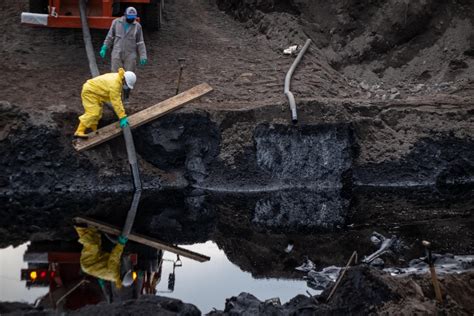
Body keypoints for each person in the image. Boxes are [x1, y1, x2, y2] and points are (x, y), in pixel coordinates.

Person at [74, 68, 135, 138]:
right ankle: (79, 131)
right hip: (90, 92)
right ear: (124, 79)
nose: (126, 86)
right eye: (126, 84)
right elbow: (116, 102)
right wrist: (122, 117)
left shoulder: (117, 77)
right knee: (93, 113)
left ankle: (93, 129)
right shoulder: (115, 84)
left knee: (98, 112)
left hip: (96, 92)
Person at [100, 7, 147, 72]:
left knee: (129, 75)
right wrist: (104, 47)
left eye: (133, 18)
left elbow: (140, 42)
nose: (131, 19)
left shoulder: (137, 26)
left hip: (130, 55)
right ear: (125, 15)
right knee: (115, 75)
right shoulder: (116, 23)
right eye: (129, 17)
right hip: (117, 53)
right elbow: (110, 36)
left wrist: (143, 55)